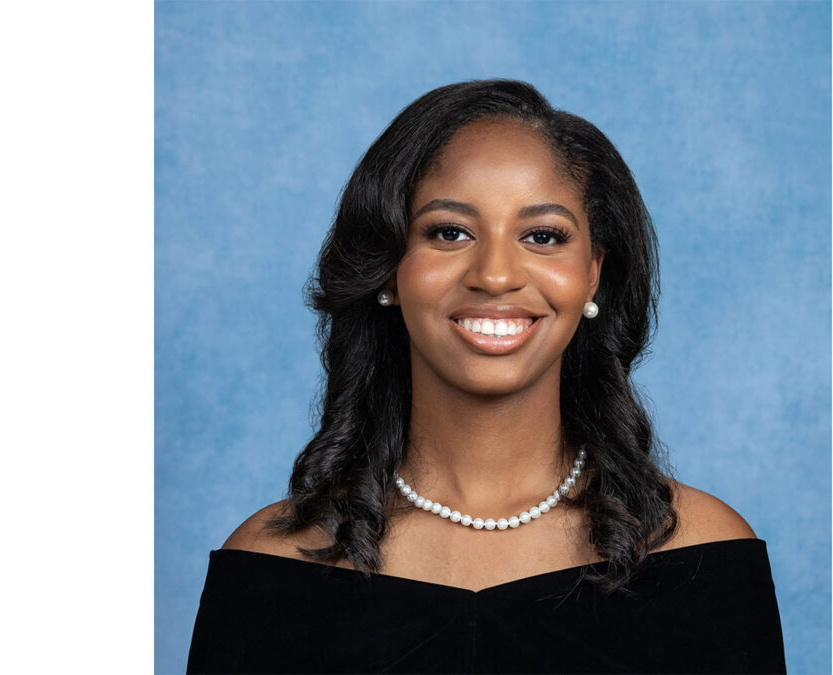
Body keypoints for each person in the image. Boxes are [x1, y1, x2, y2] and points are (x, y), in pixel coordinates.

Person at [186, 79, 785, 674]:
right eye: (449, 232)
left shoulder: (704, 555)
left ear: (593, 274)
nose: (495, 276)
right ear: (389, 270)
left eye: (542, 236)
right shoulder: (273, 565)